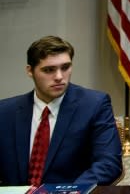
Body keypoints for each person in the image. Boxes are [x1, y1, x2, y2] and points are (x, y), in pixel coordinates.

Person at [0, 35, 122, 186]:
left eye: (65, 67)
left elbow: (108, 164)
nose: (59, 77)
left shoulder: (94, 105)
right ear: (30, 71)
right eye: (49, 70)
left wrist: (70, 191)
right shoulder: (5, 112)